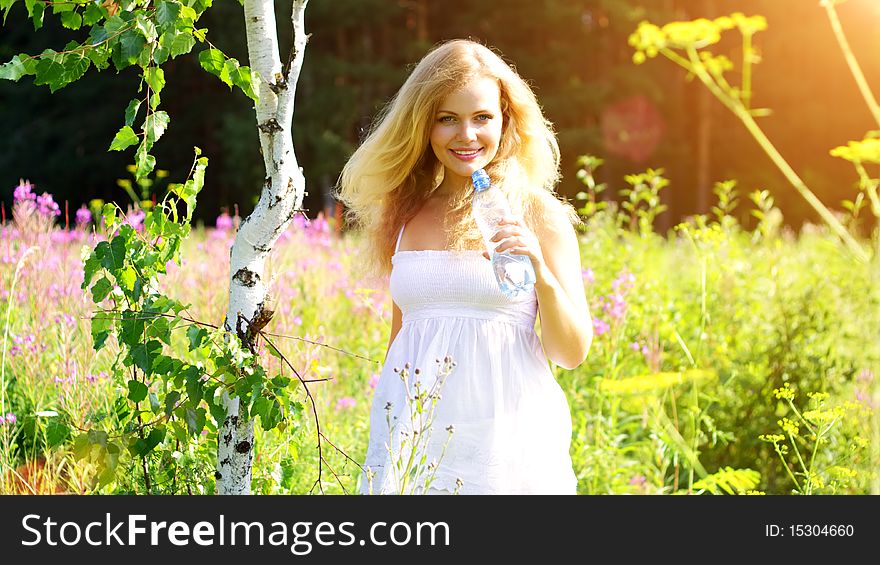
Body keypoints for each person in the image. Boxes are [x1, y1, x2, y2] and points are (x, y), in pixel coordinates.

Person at [336, 39, 593, 495]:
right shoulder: (404, 216)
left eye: (482, 118)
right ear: (423, 126)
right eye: (447, 119)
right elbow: (404, 341)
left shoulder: (539, 215)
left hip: (507, 446)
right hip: (417, 443)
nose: (466, 136)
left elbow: (571, 353)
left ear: (505, 120)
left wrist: (541, 271)